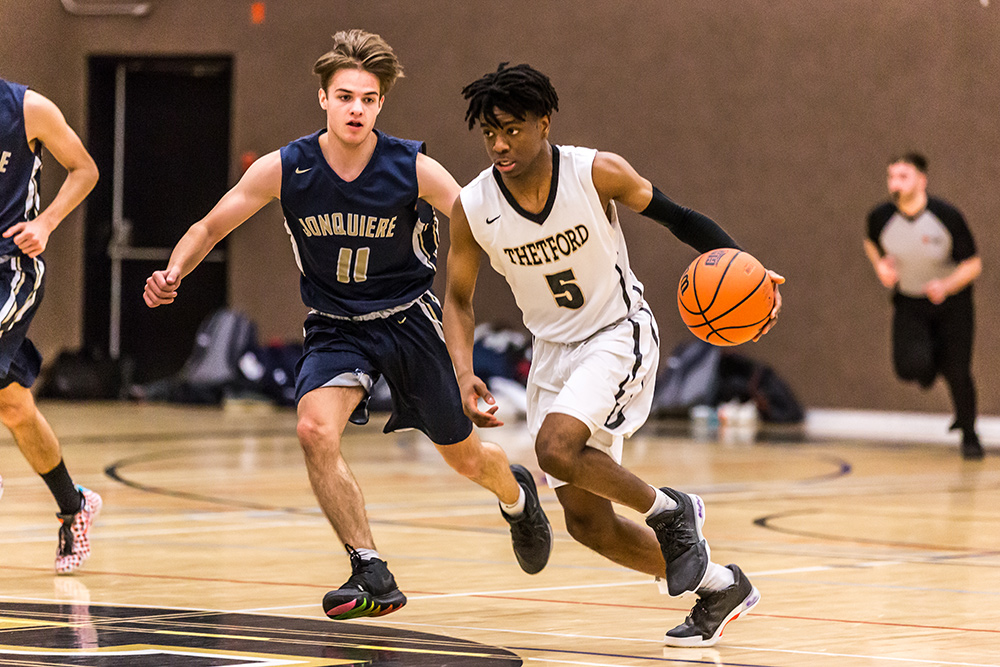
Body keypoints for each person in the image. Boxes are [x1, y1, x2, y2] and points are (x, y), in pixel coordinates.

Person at [142, 31, 552, 620]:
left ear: (380, 105)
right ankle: (369, 568)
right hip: (336, 326)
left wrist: (538, 267)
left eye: (367, 98)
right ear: (323, 100)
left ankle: (516, 497)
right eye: (345, 96)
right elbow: (211, 225)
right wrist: (173, 271)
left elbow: (485, 223)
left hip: (409, 320)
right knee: (314, 429)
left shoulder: (411, 167)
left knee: (463, 458)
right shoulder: (288, 166)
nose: (356, 108)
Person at [444, 63, 783, 648]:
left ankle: (672, 510)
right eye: (489, 133)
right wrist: (465, 370)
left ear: (544, 122)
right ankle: (719, 583)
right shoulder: (473, 208)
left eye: (513, 129)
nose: (499, 144)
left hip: (616, 333)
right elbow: (457, 298)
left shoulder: (596, 172)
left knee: (554, 448)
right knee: (588, 525)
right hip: (551, 352)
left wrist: (749, 269)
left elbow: (680, 219)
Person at [0, 78, 102, 573]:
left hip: (10, 268)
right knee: (14, 406)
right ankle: (74, 504)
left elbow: (85, 169)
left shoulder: (28, 109)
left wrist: (45, 223)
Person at [864, 153, 984, 460]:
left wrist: (945, 285)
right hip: (910, 301)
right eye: (891, 177)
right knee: (909, 366)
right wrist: (881, 268)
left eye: (903, 176)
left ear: (921, 180)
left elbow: (973, 265)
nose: (895, 183)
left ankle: (969, 434)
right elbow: (871, 243)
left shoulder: (946, 216)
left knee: (958, 370)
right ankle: (932, 368)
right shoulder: (880, 217)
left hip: (951, 304)